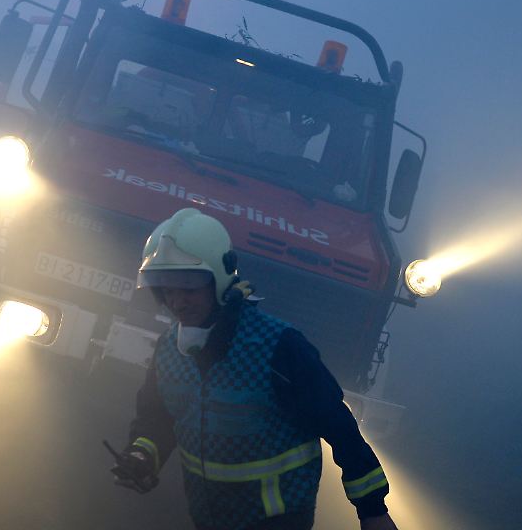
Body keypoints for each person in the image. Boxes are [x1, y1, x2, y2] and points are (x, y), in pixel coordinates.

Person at [110, 208, 398, 530]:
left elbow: (339, 427)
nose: (177, 302)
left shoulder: (277, 346)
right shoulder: (168, 350)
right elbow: (158, 416)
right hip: (209, 518)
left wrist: (373, 511)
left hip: (277, 519)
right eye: (166, 288)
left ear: (222, 276)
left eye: (189, 287)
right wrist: (143, 454)